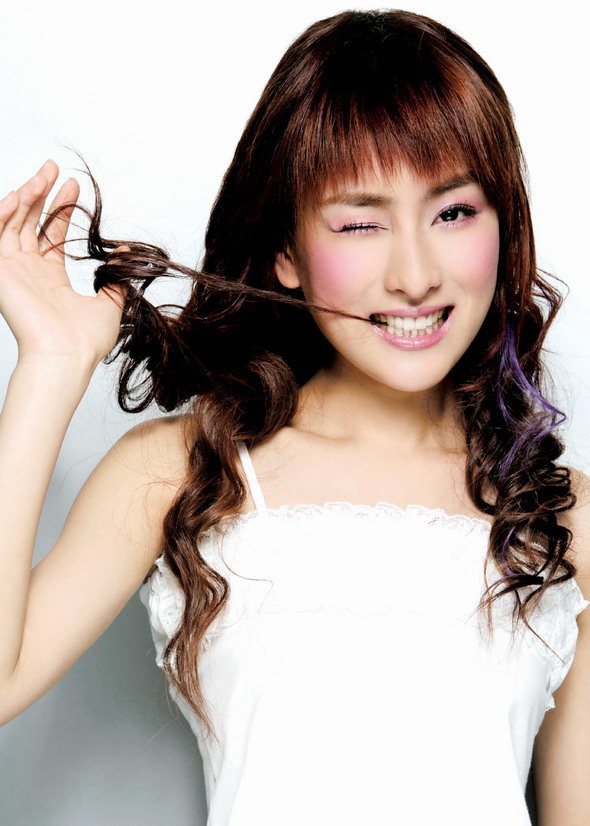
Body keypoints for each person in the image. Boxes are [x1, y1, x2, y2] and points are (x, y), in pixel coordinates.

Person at [0, 8, 588, 825]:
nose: (415, 274)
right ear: (286, 250)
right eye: (360, 222)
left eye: (454, 212)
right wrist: (50, 364)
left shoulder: (562, 516)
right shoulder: (184, 470)